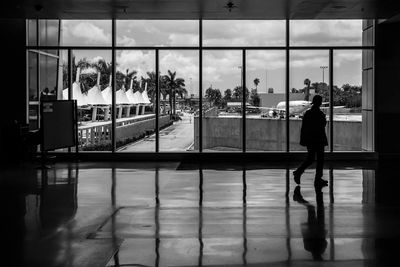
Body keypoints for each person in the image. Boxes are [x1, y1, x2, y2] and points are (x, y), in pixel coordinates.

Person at [293, 95, 328, 187]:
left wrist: (304, 139)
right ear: (319, 102)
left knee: (310, 158)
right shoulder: (320, 114)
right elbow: (322, 125)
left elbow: (304, 128)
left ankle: (299, 172)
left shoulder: (308, 113)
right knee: (320, 160)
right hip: (319, 139)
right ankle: (317, 179)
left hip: (310, 140)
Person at [293, 186, 327, 261]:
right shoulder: (308, 248)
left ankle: (299, 198)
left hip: (317, 227)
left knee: (313, 208)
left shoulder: (320, 249)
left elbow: (324, 240)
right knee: (312, 209)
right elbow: (305, 236)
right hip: (315, 227)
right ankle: (299, 198)